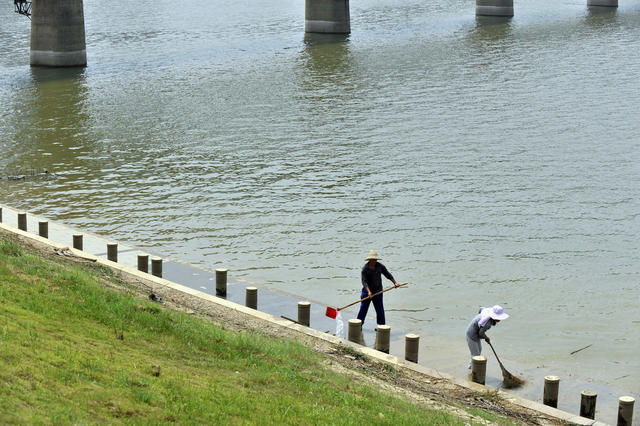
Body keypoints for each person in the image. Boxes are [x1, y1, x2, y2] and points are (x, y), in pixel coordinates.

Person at [356, 249, 399, 327]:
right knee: (363, 309)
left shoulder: (379, 266)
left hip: (378, 291)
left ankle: (381, 326)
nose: (374, 261)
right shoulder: (365, 269)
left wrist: (395, 283)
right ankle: (358, 325)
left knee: (380, 310)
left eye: (375, 260)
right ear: (369, 260)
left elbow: (387, 274)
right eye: (373, 260)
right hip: (367, 292)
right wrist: (369, 292)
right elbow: (364, 282)